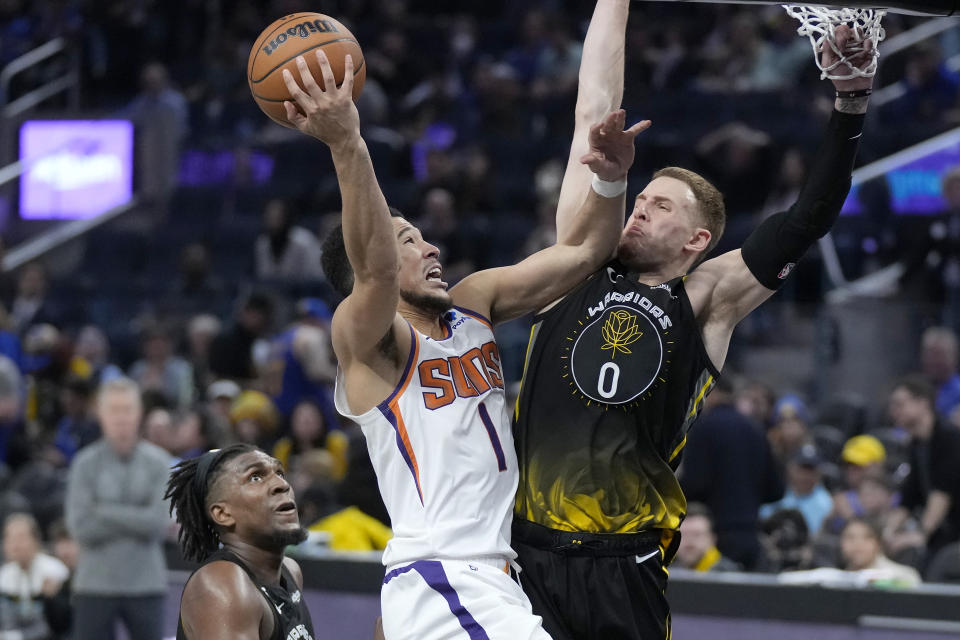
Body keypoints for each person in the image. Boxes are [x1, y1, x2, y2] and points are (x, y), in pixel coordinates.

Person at [510, 2, 877, 636]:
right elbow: (593, 106)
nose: (639, 209)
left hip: (624, 564)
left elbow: (804, 220)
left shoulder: (706, 297)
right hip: (524, 553)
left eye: (660, 207)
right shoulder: (577, 259)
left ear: (696, 240)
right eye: (640, 198)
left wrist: (850, 106)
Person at [283, 34, 637, 638]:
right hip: (444, 575)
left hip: (492, 577)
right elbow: (373, 268)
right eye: (408, 241)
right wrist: (347, 142)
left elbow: (585, 251)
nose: (429, 247)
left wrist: (610, 180)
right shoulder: (367, 342)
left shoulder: (475, 304)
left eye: (423, 235)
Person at [165, 444, 315, 640]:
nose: (281, 484)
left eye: (280, 473)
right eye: (255, 477)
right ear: (223, 514)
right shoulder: (222, 585)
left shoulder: (290, 571)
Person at [64, 377, 171, 640]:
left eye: (127, 409)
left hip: (146, 583)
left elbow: (158, 524)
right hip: (93, 585)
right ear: (100, 414)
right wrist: (137, 517)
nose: (121, 418)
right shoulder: (84, 464)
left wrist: (102, 510)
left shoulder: (159, 463)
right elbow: (81, 528)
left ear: (139, 413)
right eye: (114, 410)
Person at [681, 376, 783, 570]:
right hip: (751, 534)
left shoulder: (703, 428)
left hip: (716, 536)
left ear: (710, 391)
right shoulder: (756, 428)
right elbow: (776, 489)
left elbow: (696, 483)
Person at [884, 375, 960, 558]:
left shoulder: (949, 438)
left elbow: (942, 494)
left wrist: (921, 534)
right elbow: (910, 496)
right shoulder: (916, 444)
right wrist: (887, 531)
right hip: (942, 533)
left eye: (900, 404)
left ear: (923, 403)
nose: (894, 411)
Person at [0, 513, 69, 640]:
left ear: (36, 540)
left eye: (21, 538)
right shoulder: (4, 575)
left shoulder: (54, 570)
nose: (15, 545)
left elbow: (54, 623)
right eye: (10, 538)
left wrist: (51, 598)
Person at [760, 444, 834, 536]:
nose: (805, 476)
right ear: (790, 468)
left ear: (819, 473)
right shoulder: (776, 492)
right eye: (802, 469)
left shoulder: (827, 504)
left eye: (810, 470)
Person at [840, 518, 921, 587]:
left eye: (867, 537)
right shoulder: (835, 579)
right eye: (850, 537)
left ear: (878, 543)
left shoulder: (904, 576)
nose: (857, 544)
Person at [674, 503, 740, 572]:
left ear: (712, 539)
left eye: (696, 535)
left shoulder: (732, 576)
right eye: (683, 535)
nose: (689, 541)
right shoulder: (668, 573)